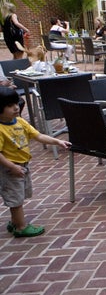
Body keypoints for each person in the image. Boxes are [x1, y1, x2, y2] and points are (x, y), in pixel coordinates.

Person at [0, 87, 71, 237]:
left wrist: (57, 141)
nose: (15, 107)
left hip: (23, 165)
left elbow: (38, 136)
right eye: (9, 106)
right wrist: (12, 167)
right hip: (9, 169)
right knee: (16, 199)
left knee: (20, 195)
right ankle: (20, 227)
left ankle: (14, 222)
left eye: (16, 103)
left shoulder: (19, 121)